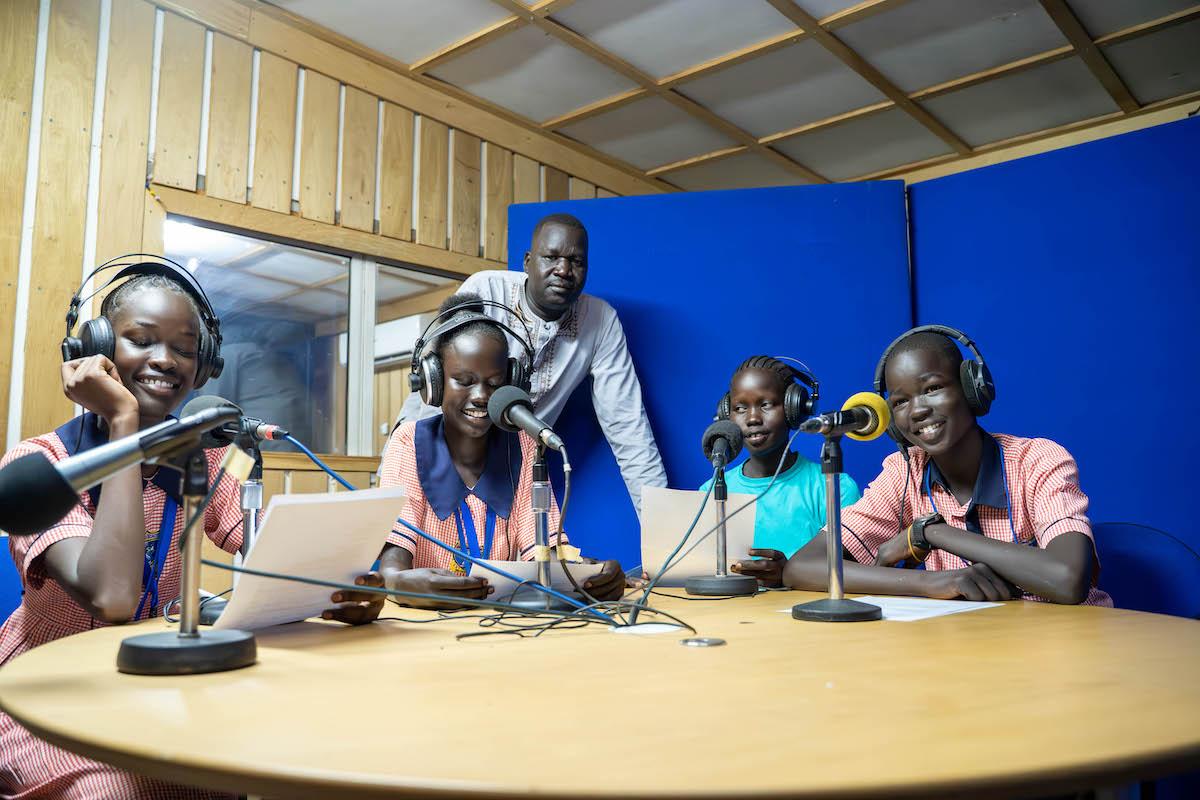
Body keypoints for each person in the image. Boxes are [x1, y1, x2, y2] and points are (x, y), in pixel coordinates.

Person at [0, 269, 382, 800]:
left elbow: (271, 555)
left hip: (158, 683)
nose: (165, 359)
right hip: (49, 691)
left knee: (233, 776)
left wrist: (341, 586)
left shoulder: (203, 461)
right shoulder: (43, 465)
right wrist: (123, 419)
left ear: (203, 366)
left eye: (183, 349)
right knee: (118, 793)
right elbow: (113, 595)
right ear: (97, 350)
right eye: (141, 340)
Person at [783, 327, 1111, 606]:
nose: (918, 410)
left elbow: (1068, 578)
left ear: (972, 389)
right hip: (979, 646)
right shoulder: (904, 471)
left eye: (933, 389)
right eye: (901, 401)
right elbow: (803, 567)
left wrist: (930, 532)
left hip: (1068, 646)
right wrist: (935, 583)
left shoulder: (1037, 461)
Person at [396, 214, 666, 513]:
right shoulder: (487, 290)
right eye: (551, 257)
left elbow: (629, 427)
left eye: (576, 261)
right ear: (527, 262)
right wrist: (415, 470)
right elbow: (438, 381)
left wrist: (664, 526)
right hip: (438, 452)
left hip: (512, 471)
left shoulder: (600, 321)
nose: (563, 270)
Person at [379, 293, 626, 608]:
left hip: (497, 623)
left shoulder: (523, 445)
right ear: (434, 383)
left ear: (512, 383)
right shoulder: (407, 443)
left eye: (495, 383)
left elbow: (545, 556)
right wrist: (403, 584)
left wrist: (590, 577)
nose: (481, 396)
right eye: (464, 381)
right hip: (426, 626)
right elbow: (391, 567)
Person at [701, 356, 860, 587]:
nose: (752, 418)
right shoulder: (710, 492)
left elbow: (853, 574)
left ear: (792, 409)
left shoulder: (833, 488)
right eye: (740, 408)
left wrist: (789, 574)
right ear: (727, 416)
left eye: (766, 405)